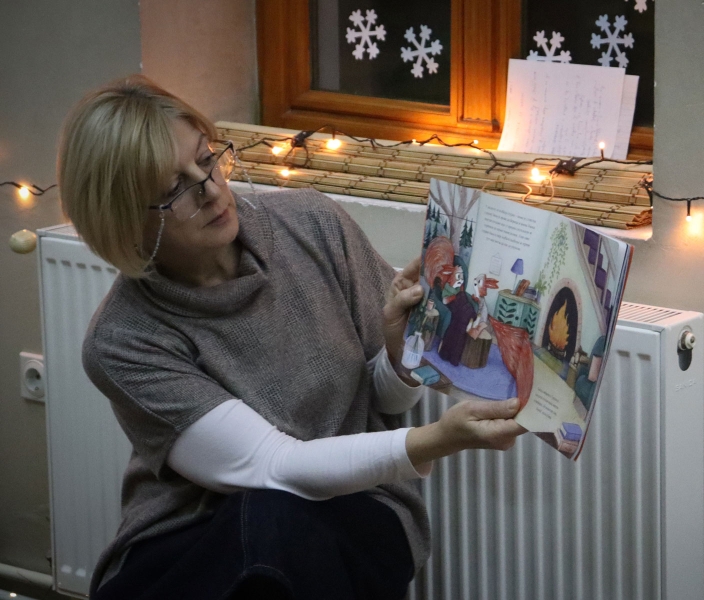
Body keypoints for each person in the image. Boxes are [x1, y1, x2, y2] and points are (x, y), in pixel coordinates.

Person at [57, 75, 526, 600]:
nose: (211, 189)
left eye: (207, 158)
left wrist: (397, 354)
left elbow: (384, 401)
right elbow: (274, 466)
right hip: (194, 530)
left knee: (274, 526)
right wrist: (441, 438)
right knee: (266, 518)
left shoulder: (313, 223)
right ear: (124, 222)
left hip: (358, 505)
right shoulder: (122, 340)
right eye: (174, 191)